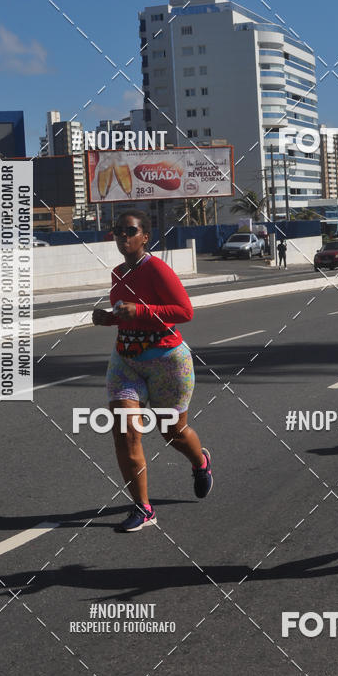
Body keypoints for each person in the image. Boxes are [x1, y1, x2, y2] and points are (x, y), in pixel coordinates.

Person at [92, 210, 212, 532]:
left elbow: (184, 311)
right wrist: (109, 318)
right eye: (117, 230)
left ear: (145, 236)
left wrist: (141, 310)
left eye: (129, 231)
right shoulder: (118, 273)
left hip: (167, 361)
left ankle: (200, 461)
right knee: (125, 432)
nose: (122, 236)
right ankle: (143, 508)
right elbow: (127, 315)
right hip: (126, 362)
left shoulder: (157, 269)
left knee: (171, 432)